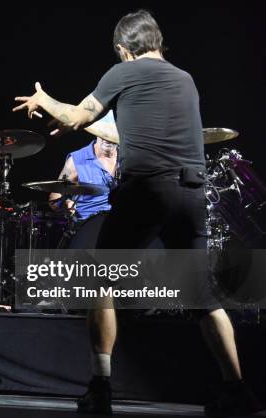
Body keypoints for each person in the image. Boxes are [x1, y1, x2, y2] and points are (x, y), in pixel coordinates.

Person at [13, 10, 261, 416]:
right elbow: (133, 129)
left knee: (102, 283)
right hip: (190, 192)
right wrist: (82, 125)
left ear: (124, 50)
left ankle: (100, 388)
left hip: (146, 190)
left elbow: (78, 114)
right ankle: (238, 390)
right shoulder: (185, 80)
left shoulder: (122, 73)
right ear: (158, 43)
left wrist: (46, 102)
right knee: (203, 296)